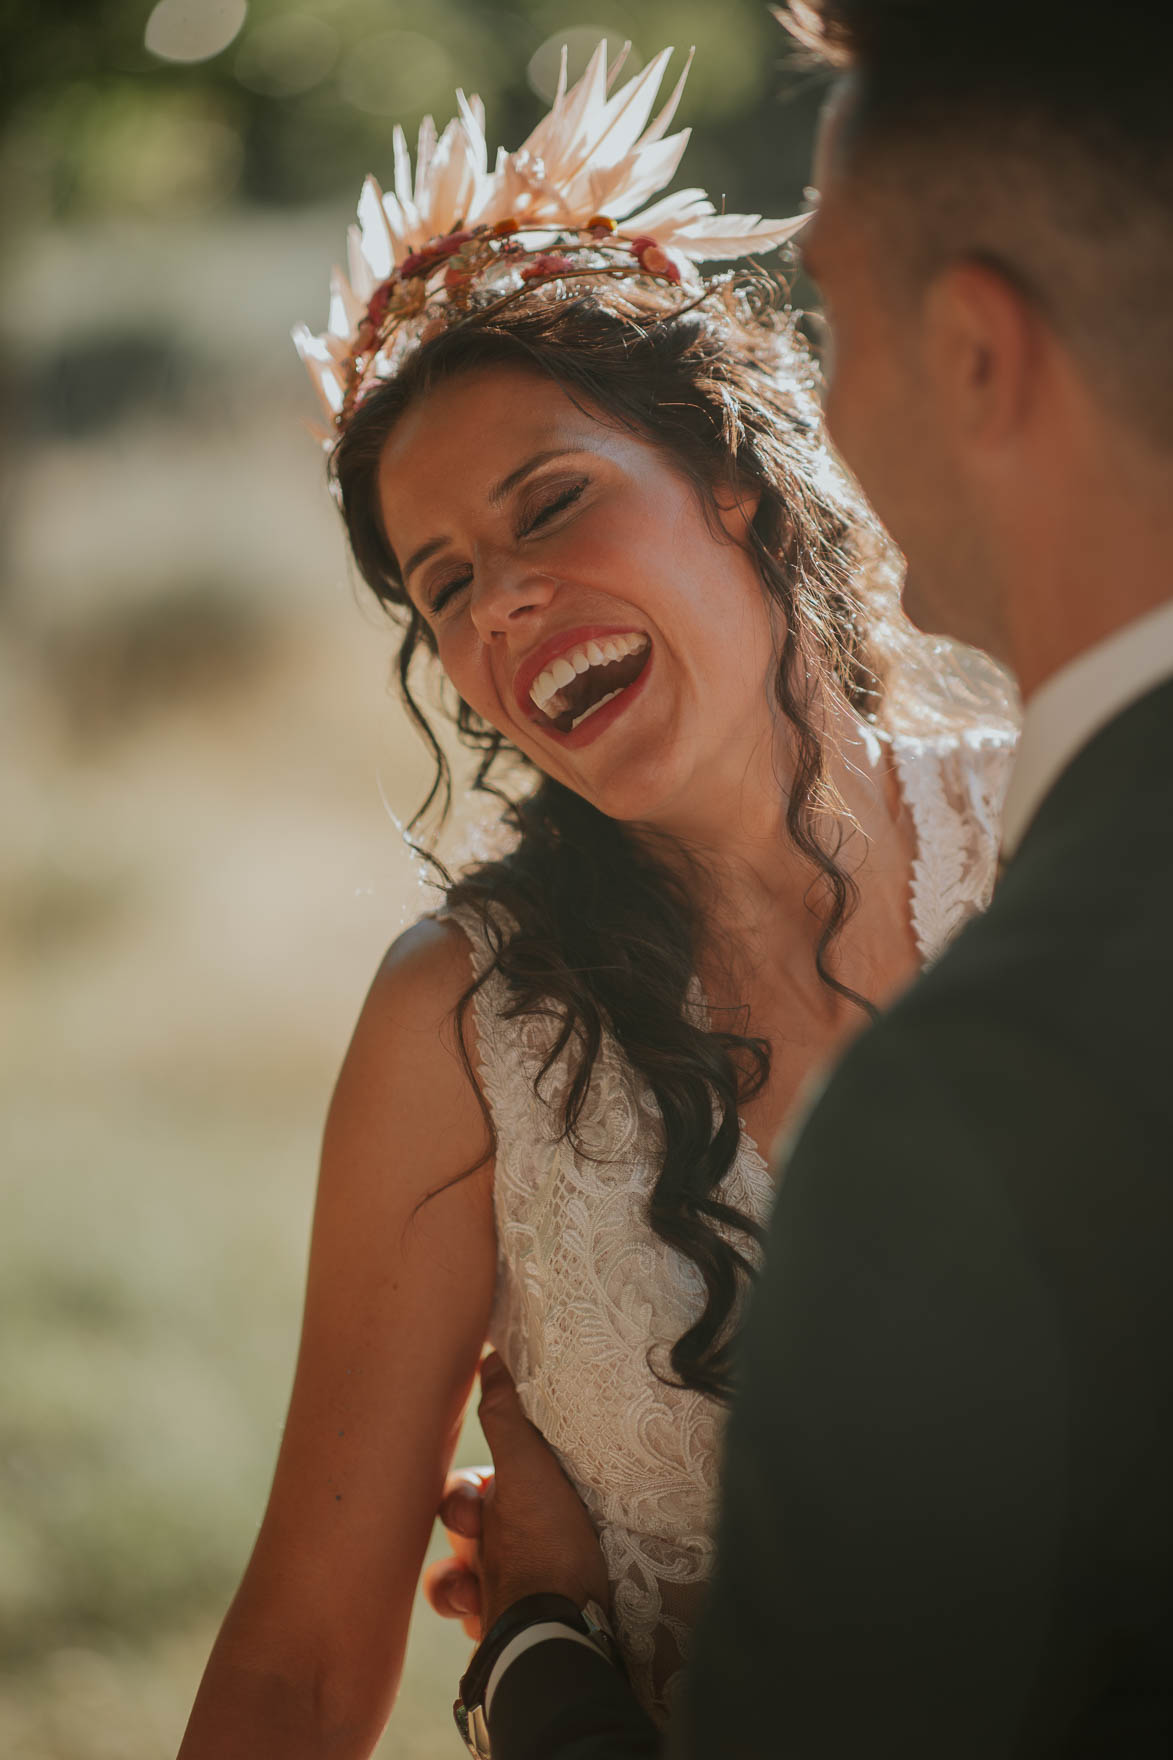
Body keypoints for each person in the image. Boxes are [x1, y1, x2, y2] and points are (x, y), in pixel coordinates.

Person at [176, 40, 1017, 1759]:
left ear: (728, 470)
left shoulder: (1065, 819)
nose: (504, 604)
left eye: (550, 499)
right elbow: (298, 1667)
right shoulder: (466, 1027)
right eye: (446, 584)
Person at [426, 3, 1173, 1756]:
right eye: (439, 581)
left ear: (981, 353)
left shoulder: (966, 1108)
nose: (810, 402)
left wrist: (536, 1644)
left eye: (829, 316)